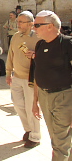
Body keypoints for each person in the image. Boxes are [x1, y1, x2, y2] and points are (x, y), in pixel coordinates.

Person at [31, 10, 72, 160]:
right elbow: (38, 73)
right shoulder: (40, 45)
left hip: (64, 97)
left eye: (37, 25)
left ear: (50, 26)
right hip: (44, 96)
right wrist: (35, 101)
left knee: (60, 141)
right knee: (56, 137)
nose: (33, 28)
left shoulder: (67, 44)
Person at [6, 11, 40, 148]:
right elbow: (10, 55)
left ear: (31, 24)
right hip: (17, 77)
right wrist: (8, 72)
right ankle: (28, 129)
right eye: (18, 21)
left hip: (31, 79)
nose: (18, 24)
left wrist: (36, 55)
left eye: (21, 22)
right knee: (18, 105)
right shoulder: (15, 37)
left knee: (31, 107)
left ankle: (36, 136)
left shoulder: (38, 38)